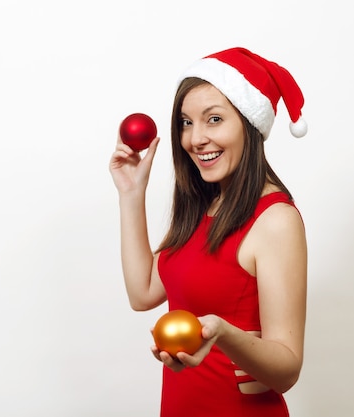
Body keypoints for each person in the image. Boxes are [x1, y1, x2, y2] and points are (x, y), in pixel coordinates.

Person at [109, 47, 308, 417]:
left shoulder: (276, 219)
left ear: (249, 123)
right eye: (186, 122)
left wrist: (223, 332)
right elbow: (142, 292)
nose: (195, 139)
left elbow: (287, 370)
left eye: (213, 119)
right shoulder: (204, 206)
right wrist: (131, 193)